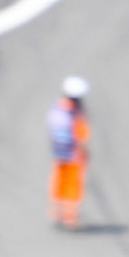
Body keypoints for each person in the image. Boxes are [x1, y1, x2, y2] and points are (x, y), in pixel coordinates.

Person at [46, 76, 91, 230]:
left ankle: (56, 212)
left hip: (58, 151)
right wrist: (83, 151)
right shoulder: (76, 113)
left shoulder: (56, 107)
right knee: (73, 184)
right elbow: (81, 133)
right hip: (73, 153)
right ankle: (70, 218)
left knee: (58, 180)